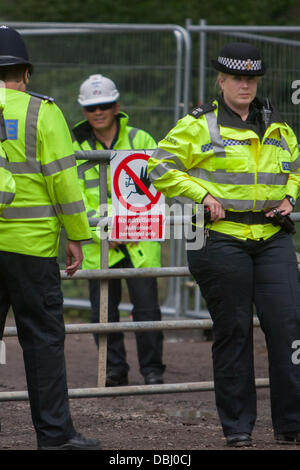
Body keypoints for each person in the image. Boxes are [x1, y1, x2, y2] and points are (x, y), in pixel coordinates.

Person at [147, 42, 300, 447]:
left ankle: (291, 423)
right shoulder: (200, 125)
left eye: (252, 78)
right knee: (233, 331)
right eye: (237, 78)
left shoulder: (278, 126)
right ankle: (237, 428)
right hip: (220, 237)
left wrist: (291, 197)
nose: (245, 85)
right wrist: (201, 196)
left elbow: (296, 168)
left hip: (271, 237)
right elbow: (158, 165)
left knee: (289, 327)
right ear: (222, 80)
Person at [0, 25, 100, 450]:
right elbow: (64, 182)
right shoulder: (41, 112)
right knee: (42, 341)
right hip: (31, 248)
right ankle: (55, 437)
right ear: (25, 74)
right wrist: (77, 236)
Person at [73, 74, 165, 386]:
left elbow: (155, 192)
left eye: (104, 105)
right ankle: (113, 370)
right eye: (91, 107)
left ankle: (153, 370)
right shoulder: (73, 147)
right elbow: (71, 196)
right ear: (83, 110)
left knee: (148, 310)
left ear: (117, 106)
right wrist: (103, 230)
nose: (98, 112)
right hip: (98, 245)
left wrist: (123, 227)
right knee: (103, 312)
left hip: (139, 240)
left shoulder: (142, 140)